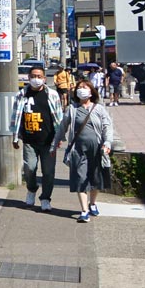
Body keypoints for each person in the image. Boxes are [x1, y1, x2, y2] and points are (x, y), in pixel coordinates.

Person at [53, 80, 113, 223]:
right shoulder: (72, 109)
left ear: (91, 92)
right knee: (80, 178)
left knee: (95, 179)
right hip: (78, 150)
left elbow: (107, 127)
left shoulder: (99, 108)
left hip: (97, 150)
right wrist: (55, 143)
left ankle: (92, 203)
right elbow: (63, 127)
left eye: (84, 87)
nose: (81, 90)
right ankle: (84, 210)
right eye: (79, 88)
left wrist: (107, 142)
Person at [11, 66, 64, 212]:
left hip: (49, 141)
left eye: (39, 76)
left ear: (44, 78)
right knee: (30, 168)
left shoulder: (52, 94)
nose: (36, 79)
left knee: (48, 172)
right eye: (33, 76)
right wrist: (15, 137)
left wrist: (59, 137)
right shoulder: (22, 94)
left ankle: (46, 198)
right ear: (29, 77)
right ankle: (31, 189)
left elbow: (59, 117)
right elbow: (15, 117)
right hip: (29, 140)